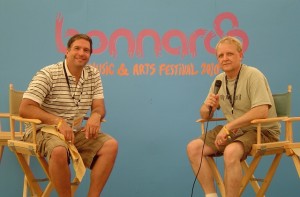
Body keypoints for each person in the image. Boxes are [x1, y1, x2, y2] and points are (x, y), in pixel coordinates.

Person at [19, 34, 118, 197]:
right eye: (77, 48)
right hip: (42, 130)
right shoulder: (48, 73)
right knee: (58, 150)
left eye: (86, 50)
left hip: (73, 131)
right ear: (67, 51)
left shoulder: (93, 74)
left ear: (90, 55)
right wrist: (58, 121)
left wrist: (96, 115)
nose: (81, 53)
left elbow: (99, 106)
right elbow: (25, 108)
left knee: (110, 145)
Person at [186, 36, 280, 197]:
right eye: (220, 56)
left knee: (230, 151)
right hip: (236, 131)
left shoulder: (253, 74)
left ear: (240, 55)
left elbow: (262, 111)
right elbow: (204, 115)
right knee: (193, 148)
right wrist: (207, 106)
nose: (225, 58)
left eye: (229, 54)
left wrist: (229, 127)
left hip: (261, 131)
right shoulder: (219, 80)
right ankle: (211, 195)